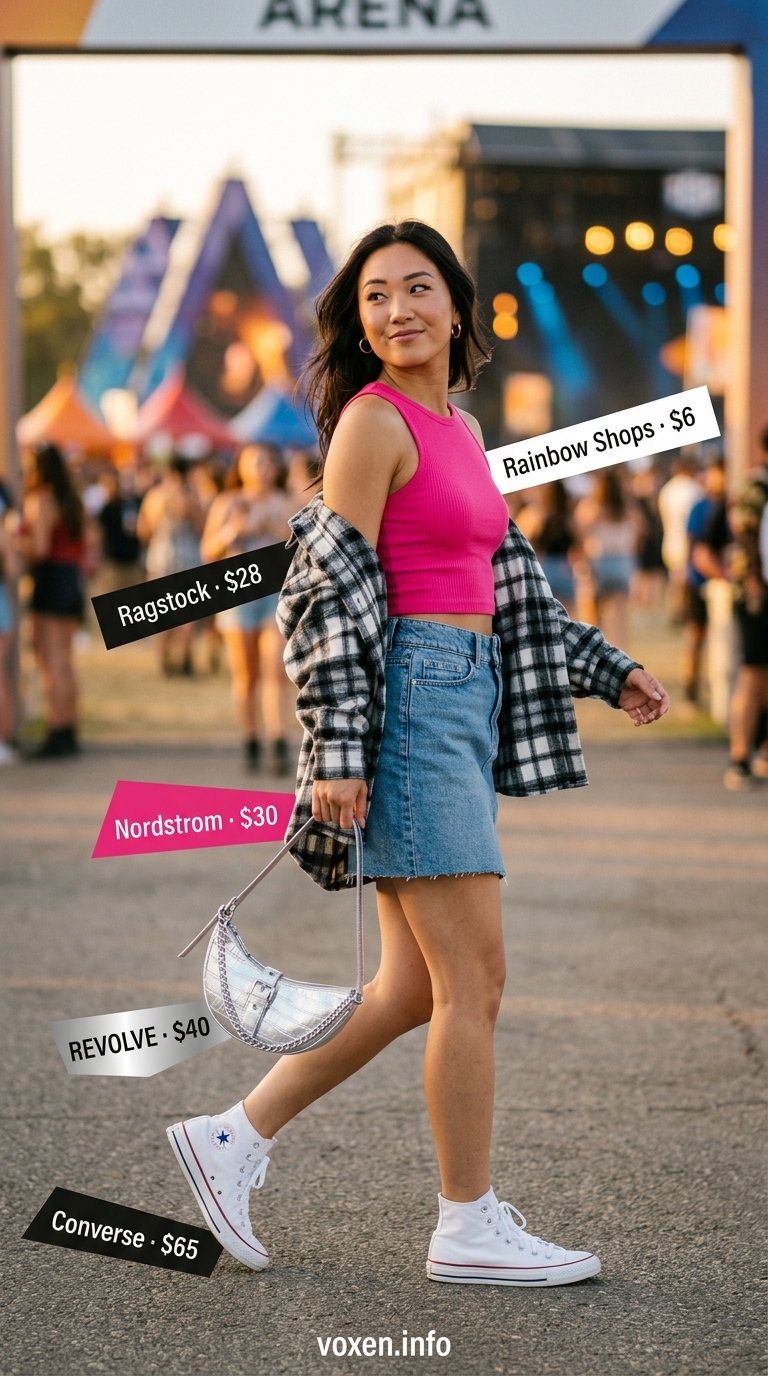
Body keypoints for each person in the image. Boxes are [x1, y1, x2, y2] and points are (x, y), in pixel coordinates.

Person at [166, 221, 669, 1285]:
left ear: (456, 304)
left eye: (416, 289)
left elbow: (505, 581)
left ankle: (232, 1135)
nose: (397, 310)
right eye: (376, 297)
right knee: (476, 980)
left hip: (463, 696)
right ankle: (466, 1220)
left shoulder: (461, 424)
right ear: (360, 322)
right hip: (411, 710)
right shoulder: (371, 422)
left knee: (412, 989)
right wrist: (341, 746)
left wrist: (604, 664)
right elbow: (322, 595)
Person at [201, 444, 292, 773]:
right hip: (237, 593)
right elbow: (208, 551)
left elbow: (301, 549)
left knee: (274, 670)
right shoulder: (227, 503)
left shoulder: (284, 502)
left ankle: (278, 740)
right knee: (246, 674)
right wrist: (232, 531)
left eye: (267, 461)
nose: (260, 468)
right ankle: (250, 739)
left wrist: (275, 528)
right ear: (240, 468)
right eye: (253, 463)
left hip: (275, 595)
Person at [20, 444, 86, 757]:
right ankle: (68, 728)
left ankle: (56, 730)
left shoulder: (41, 499)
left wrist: (18, 543)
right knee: (65, 660)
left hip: (50, 581)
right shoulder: (71, 499)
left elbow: (41, 548)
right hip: (71, 578)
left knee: (51, 661)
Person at [723, 456, 768, 789]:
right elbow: (744, 537)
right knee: (753, 674)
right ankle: (740, 758)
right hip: (757, 598)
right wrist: (753, 584)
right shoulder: (756, 487)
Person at [137, 456, 204, 676]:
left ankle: (163, 658)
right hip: (188, 556)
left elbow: (142, 532)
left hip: (160, 555)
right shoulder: (191, 496)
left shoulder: (154, 496)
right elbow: (200, 527)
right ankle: (185, 659)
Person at [680, 459, 729, 705]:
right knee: (696, 635)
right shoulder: (700, 507)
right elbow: (692, 544)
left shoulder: (731, 504)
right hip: (698, 580)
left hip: (723, 585)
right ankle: (691, 684)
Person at [574, 468, 640, 651]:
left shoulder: (591, 507)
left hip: (598, 562)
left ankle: (594, 658)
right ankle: (620, 662)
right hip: (622, 562)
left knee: (591, 621)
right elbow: (639, 530)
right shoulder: (627, 508)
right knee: (618, 623)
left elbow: (579, 532)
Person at [515, 481, 576, 613]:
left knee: (546, 614)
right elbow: (578, 542)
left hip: (544, 566)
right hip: (564, 567)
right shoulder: (567, 516)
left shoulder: (535, 515)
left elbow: (524, 540)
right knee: (568, 615)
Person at [658, 455, 703, 623]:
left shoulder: (667, 489)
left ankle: (676, 610)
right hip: (686, 539)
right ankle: (683, 612)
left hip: (670, 538)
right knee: (686, 579)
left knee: (675, 577)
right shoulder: (693, 489)